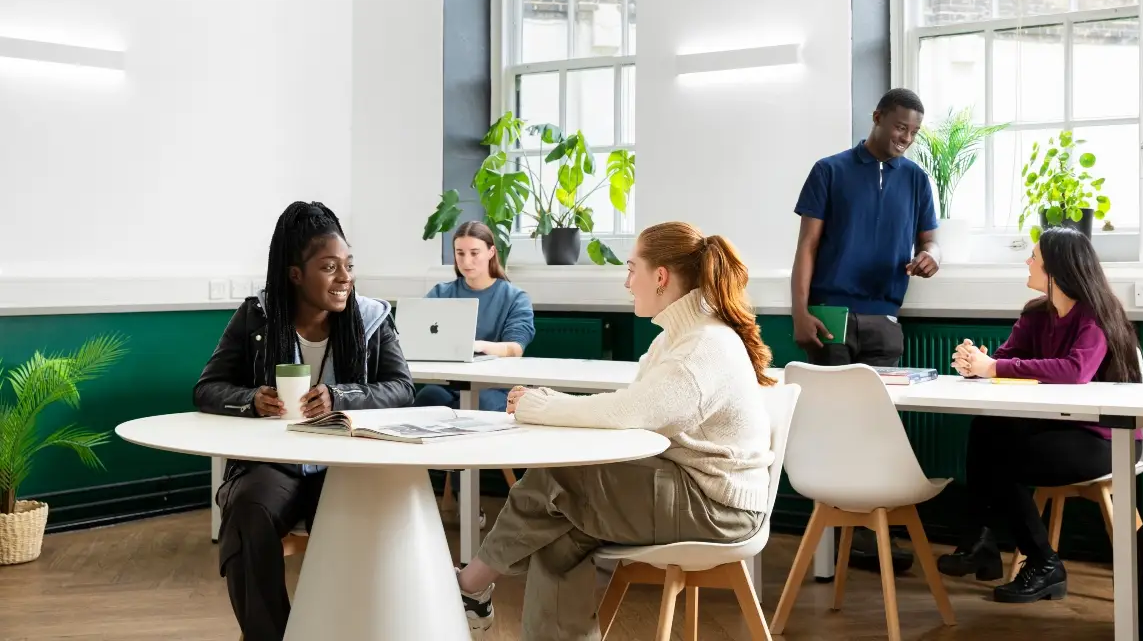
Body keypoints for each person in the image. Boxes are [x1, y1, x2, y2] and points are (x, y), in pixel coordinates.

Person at [452, 221, 775, 640]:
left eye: (631, 268)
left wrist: (545, 406)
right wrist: (551, 405)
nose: (626, 281)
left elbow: (633, 411)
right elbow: (637, 408)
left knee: (559, 479)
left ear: (660, 277)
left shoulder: (702, 346)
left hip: (719, 509)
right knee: (562, 534)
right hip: (694, 489)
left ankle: (468, 587)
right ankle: (473, 591)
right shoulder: (678, 339)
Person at [193, 201, 414, 641]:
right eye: (329, 267)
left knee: (358, 528)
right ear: (296, 274)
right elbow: (208, 387)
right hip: (275, 463)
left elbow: (402, 388)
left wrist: (341, 397)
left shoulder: (371, 319)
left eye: (348, 265)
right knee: (247, 513)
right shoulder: (257, 316)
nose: (345, 277)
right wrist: (252, 399)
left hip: (347, 465)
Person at [938, 225, 1142, 604]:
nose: (1027, 261)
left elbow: (1075, 371)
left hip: (1104, 437)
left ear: (1058, 270)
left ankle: (1042, 562)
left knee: (1005, 459)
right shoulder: (1035, 316)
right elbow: (1001, 358)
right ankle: (981, 541)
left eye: (1035, 257)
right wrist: (974, 361)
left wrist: (993, 369)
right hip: (1054, 429)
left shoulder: (1096, 315)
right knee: (987, 429)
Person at [790, 87, 940, 572]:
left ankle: (870, 538)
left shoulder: (917, 180)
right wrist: (799, 311)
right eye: (900, 127)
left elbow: (931, 241)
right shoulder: (829, 170)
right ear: (877, 117)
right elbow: (807, 248)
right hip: (831, 312)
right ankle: (829, 551)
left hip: (885, 318)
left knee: (876, 431)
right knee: (834, 430)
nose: (906, 138)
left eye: (914, 132)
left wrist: (931, 257)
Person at [413, 220, 535, 412]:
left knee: (483, 402)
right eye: (460, 253)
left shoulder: (515, 298)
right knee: (428, 397)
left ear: (491, 252)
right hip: (449, 385)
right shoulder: (440, 293)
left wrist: (476, 346)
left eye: (474, 253)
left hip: (494, 386)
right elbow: (416, 335)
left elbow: (515, 348)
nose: (466, 261)